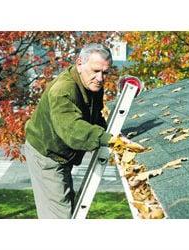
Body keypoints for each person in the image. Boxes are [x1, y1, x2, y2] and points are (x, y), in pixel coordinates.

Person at [24, 43, 114, 219]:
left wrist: (109, 131)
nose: (101, 78)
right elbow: (72, 129)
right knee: (60, 216)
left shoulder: (92, 84)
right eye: (96, 71)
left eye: (105, 72)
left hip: (61, 155)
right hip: (46, 156)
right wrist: (109, 139)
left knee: (69, 208)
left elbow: (94, 116)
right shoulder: (63, 89)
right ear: (79, 63)